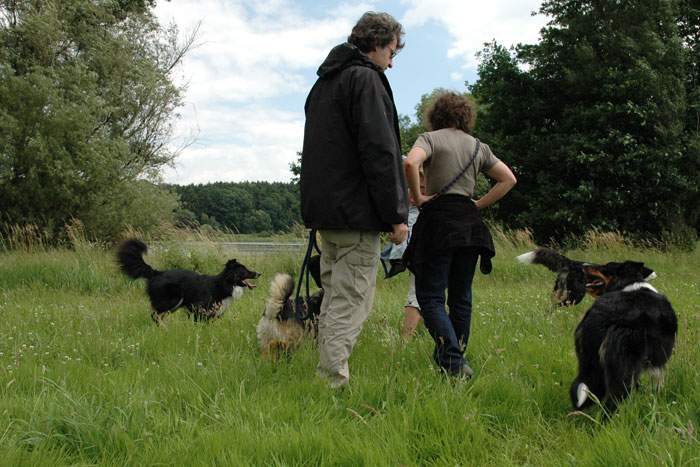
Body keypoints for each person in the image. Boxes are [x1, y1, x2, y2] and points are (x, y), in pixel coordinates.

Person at [300, 11, 409, 388]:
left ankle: (326, 372)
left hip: (327, 215)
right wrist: (397, 214)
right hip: (357, 216)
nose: (392, 62)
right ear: (377, 43)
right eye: (392, 51)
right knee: (350, 300)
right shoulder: (365, 79)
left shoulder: (323, 85)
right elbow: (380, 152)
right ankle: (331, 381)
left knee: (334, 296)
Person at [403, 91, 516, 378]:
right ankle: (455, 360)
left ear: (436, 115)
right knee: (461, 297)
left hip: (438, 222)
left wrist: (418, 196)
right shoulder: (479, 147)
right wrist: (477, 204)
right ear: (466, 116)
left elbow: (410, 163)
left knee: (429, 296)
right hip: (469, 224)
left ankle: (452, 362)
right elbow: (508, 179)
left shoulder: (429, 139)